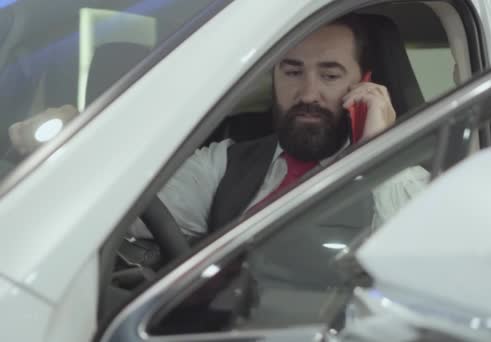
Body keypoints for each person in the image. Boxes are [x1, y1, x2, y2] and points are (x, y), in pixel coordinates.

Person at [9, 15, 430, 240]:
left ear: (364, 84)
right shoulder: (227, 162)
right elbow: (125, 211)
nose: (307, 92)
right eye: (292, 71)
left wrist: (379, 152)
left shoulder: (408, 181)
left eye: (331, 74)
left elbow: (417, 257)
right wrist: (68, 153)